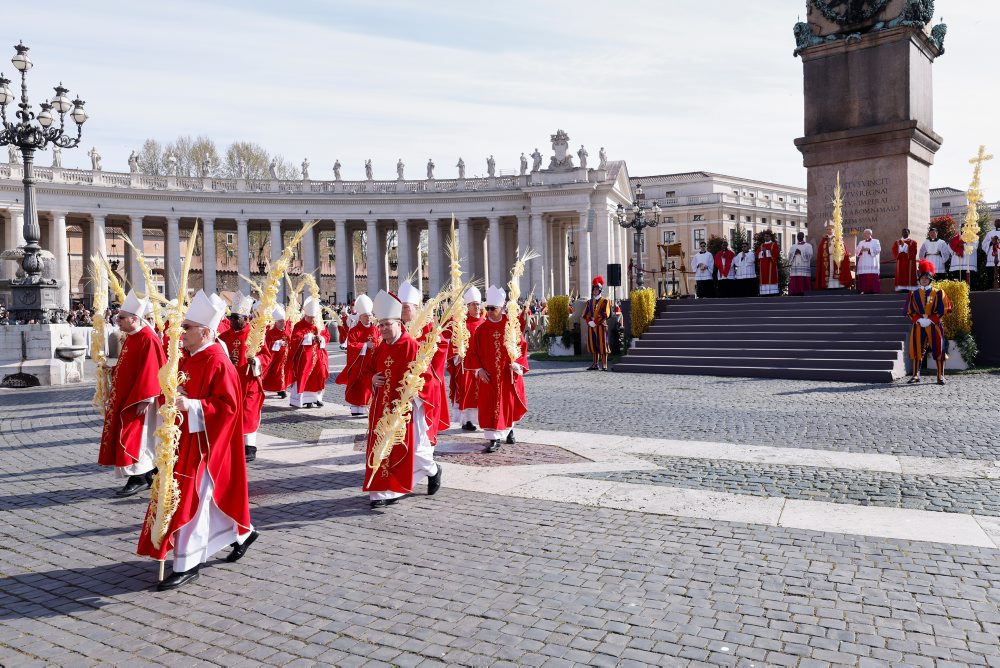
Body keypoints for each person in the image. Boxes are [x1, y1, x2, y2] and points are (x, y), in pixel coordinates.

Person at [137, 290, 256, 591]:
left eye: (187, 327)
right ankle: (242, 533)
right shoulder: (190, 359)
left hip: (205, 447)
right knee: (203, 501)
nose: (181, 331)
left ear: (205, 332)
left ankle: (187, 562)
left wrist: (191, 407)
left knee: (193, 501)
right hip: (183, 442)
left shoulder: (218, 361)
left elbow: (229, 408)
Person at [360, 291, 442, 509]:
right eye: (381, 325)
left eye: (388, 324)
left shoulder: (411, 346)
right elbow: (367, 371)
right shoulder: (381, 347)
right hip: (381, 409)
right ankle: (382, 490)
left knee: (411, 449)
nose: (384, 329)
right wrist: (372, 378)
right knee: (382, 447)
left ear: (398, 324)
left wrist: (414, 392)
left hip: (405, 409)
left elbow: (429, 379)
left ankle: (432, 471)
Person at [97, 290, 166, 497]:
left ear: (135, 319)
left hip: (140, 398)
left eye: (121, 318)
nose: (117, 321)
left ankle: (138, 476)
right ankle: (147, 474)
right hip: (127, 395)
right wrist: (111, 370)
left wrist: (146, 398)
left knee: (134, 435)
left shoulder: (148, 338)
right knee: (134, 435)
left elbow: (152, 370)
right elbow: (130, 366)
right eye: (118, 317)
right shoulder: (132, 337)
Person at [464, 285, 529, 454]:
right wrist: (478, 370)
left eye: (493, 308)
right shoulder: (481, 330)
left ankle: (509, 430)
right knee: (490, 406)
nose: (489, 311)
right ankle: (493, 439)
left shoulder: (511, 327)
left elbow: (521, 346)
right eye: (488, 308)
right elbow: (473, 353)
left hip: (507, 375)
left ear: (501, 308)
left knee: (507, 405)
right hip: (488, 376)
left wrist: (518, 364)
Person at [218, 292, 271, 462]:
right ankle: (234, 443)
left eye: (236, 318)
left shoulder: (255, 336)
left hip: (249, 382)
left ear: (246, 318)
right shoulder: (224, 337)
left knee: (248, 413)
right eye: (231, 317)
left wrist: (255, 360)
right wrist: (226, 359)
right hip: (231, 384)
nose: (232, 321)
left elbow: (266, 356)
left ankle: (250, 447)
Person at [398, 281, 450, 444]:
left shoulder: (428, 327)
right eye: (400, 307)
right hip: (400, 383)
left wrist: (428, 353)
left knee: (422, 429)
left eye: (406, 307)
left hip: (424, 382)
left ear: (416, 308)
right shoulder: (396, 327)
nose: (402, 310)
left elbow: (441, 346)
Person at [904, 260, 952, 385]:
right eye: (922, 278)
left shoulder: (939, 293)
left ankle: (940, 375)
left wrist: (931, 319)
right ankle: (915, 375)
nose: (924, 280)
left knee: (938, 349)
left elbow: (944, 309)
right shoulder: (913, 294)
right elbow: (909, 310)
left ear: (930, 279)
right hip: (919, 325)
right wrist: (918, 320)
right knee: (916, 349)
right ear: (919, 279)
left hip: (934, 325)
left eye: (927, 278)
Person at [448, 287, 486, 431]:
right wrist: (457, 354)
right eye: (473, 304)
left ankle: (482, 419)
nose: (476, 307)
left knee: (482, 393)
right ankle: (467, 421)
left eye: (478, 304)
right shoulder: (461, 324)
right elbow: (454, 342)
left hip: (482, 365)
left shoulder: (484, 322)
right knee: (467, 392)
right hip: (466, 365)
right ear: (467, 306)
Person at [334, 294, 379, 415]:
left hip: (372, 363)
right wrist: (365, 345)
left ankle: (367, 408)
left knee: (369, 386)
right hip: (359, 364)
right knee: (358, 385)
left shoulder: (376, 329)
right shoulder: (354, 331)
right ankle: (355, 409)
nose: (368, 318)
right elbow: (352, 345)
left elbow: (379, 341)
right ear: (360, 317)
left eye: (369, 316)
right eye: (365, 316)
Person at [287, 298, 330, 409]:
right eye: (310, 318)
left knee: (319, 375)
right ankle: (306, 400)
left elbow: (327, 336)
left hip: (319, 356)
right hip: (305, 357)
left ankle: (317, 398)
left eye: (313, 318)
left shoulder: (319, 324)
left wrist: (321, 338)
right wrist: (309, 338)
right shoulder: (299, 325)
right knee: (306, 375)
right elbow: (295, 339)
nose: (312, 320)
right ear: (305, 316)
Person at [582, 276, 611, 371]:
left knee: (602, 345)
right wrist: (589, 322)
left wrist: (595, 322)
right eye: (594, 289)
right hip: (592, 326)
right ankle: (595, 364)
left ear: (600, 290)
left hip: (601, 326)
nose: (595, 291)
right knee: (593, 344)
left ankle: (604, 364)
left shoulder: (605, 301)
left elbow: (605, 314)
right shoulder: (589, 302)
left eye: (597, 289)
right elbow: (585, 314)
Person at [262, 305, 291, 399]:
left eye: (283, 321)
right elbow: (267, 344)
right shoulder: (271, 332)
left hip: (285, 356)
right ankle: (281, 389)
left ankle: (282, 389)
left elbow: (290, 340)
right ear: (276, 322)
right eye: (281, 322)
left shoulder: (286, 331)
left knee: (283, 372)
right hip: (275, 357)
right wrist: (277, 343)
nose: (283, 323)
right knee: (277, 372)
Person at [815, 223, 853, 290]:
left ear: (833, 230)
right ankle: (829, 285)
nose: (828, 230)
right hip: (827, 258)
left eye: (830, 229)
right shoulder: (824, 239)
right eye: (827, 229)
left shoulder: (837, 238)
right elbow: (820, 249)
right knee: (829, 271)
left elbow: (842, 248)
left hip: (836, 258)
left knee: (835, 270)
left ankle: (837, 285)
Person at [854, 228, 882, 294]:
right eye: (864, 233)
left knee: (872, 277)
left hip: (872, 262)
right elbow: (856, 251)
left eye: (866, 233)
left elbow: (878, 249)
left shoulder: (876, 241)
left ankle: (873, 290)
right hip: (863, 261)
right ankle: (863, 290)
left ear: (870, 234)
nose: (864, 235)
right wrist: (861, 250)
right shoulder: (861, 242)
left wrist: (868, 249)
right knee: (863, 277)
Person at [892, 228, 919, 292]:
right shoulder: (897, 242)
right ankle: (901, 287)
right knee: (901, 273)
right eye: (903, 232)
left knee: (909, 274)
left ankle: (910, 288)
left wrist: (906, 246)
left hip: (909, 262)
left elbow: (914, 252)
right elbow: (894, 250)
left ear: (909, 233)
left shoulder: (913, 242)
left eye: (906, 232)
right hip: (900, 261)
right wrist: (900, 249)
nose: (904, 233)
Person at [788, 232, 813, 296]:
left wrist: (801, 252)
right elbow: (789, 256)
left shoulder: (808, 246)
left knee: (803, 277)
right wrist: (794, 253)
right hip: (795, 266)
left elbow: (810, 255)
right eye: (798, 236)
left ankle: (804, 290)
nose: (799, 237)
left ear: (803, 237)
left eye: (800, 236)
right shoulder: (793, 246)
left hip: (803, 265)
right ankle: (795, 291)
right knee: (795, 278)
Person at [756, 231, 780, 296]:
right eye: (765, 236)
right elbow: (757, 255)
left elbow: (775, 255)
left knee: (771, 277)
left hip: (771, 266)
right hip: (763, 266)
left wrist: (766, 251)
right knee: (763, 278)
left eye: (767, 236)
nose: (766, 237)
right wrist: (762, 252)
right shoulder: (761, 245)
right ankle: (764, 292)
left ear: (770, 237)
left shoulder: (774, 245)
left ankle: (772, 292)